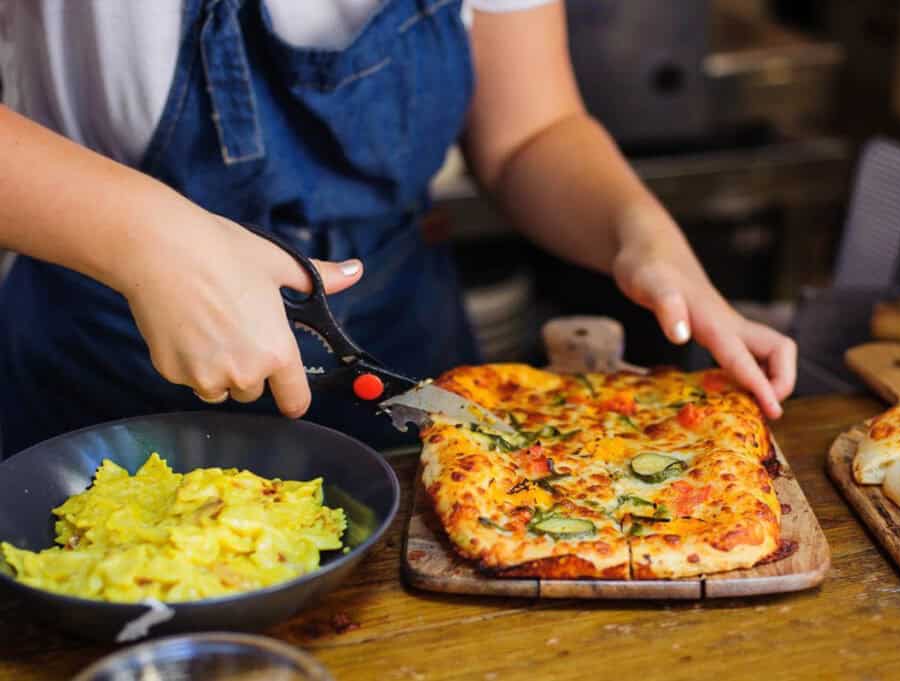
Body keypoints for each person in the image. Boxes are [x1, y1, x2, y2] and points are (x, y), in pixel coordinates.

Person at [0, 0, 797, 456]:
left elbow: (529, 131)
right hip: (102, 376)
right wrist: (144, 238)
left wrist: (639, 230)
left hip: (399, 347)